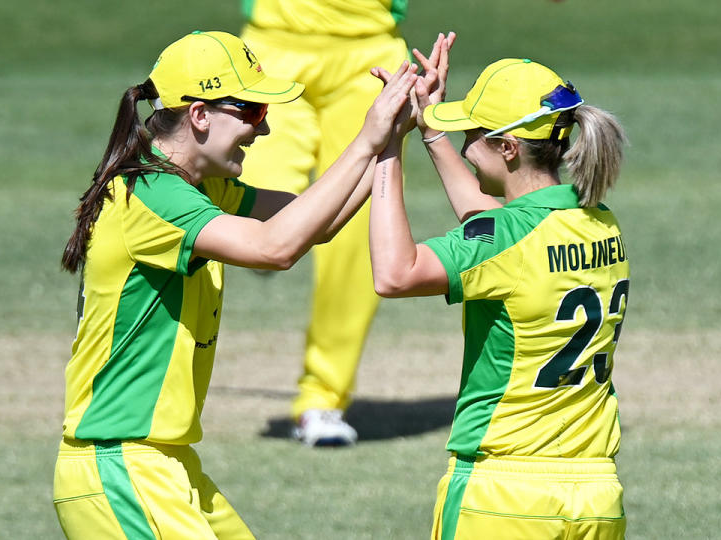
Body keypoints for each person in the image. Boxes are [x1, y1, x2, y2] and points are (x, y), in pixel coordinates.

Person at [52, 30, 417, 539]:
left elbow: (318, 223)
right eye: (252, 113)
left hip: (167, 465)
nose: (261, 131)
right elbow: (275, 249)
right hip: (121, 467)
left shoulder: (200, 188)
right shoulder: (151, 193)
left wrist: (390, 140)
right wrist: (366, 140)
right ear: (199, 113)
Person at [369, 35, 629, 539]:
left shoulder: (506, 240)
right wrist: (430, 129)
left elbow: (394, 274)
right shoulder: (600, 222)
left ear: (508, 147)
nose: (465, 147)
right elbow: (499, 229)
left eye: (471, 134)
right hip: (595, 497)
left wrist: (387, 149)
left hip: (504, 498)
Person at [237, 0, 411, 446]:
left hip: (369, 55)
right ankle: (264, 248)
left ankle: (322, 398)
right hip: (271, 47)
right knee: (255, 207)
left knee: (358, 234)